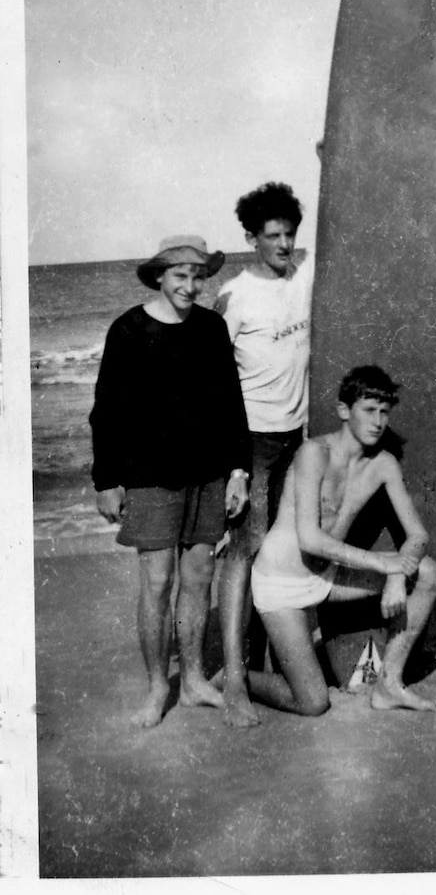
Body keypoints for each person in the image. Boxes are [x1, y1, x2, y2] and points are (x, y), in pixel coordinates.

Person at [90, 236, 251, 728]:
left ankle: (196, 680)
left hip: (207, 474)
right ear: (159, 276)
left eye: (198, 275)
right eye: (180, 274)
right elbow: (107, 411)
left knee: (198, 579)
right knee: (157, 583)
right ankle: (159, 684)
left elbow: (230, 406)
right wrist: (106, 480)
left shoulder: (211, 327)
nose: (190, 284)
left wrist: (238, 471)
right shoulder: (128, 329)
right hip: (149, 477)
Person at [245, 365, 436, 716]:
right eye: (369, 410)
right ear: (343, 411)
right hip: (282, 584)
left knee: (426, 573)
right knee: (312, 703)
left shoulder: (383, 464)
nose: (378, 421)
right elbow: (310, 539)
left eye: (384, 412)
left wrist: (397, 574)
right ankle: (237, 679)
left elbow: (418, 534)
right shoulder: (313, 453)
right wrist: (384, 563)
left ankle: (388, 685)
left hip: (327, 579)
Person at [213, 181, 313, 727]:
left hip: (297, 437)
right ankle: (233, 681)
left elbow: (344, 231)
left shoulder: (305, 275)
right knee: (244, 551)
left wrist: (331, 164)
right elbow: (212, 380)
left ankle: (273, 657)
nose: (283, 244)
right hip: (251, 443)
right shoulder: (235, 295)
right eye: (272, 236)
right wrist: (230, 466)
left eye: (289, 234)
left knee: (284, 548)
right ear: (251, 238)